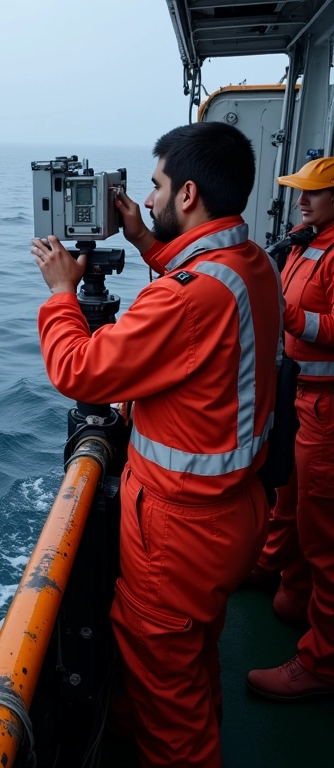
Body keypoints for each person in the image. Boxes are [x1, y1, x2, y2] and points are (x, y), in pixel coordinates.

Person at [31, 122, 281, 768]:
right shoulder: (249, 265)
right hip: (234, 515)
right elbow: (195, 271)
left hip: (180, 535)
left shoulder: (187, 299)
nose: (145, 199)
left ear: (189, 193)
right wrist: (144, 239)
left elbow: (79, 371)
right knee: (192, 659)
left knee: (172, 706)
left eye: (156, 186)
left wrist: (62, 294)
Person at [246, 157, 334, 700]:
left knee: (326, 535)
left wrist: (293, 319)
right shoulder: (307, 242)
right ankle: (288, 583)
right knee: (290, 500)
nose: (300, 201)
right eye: (298, 193)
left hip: (328, 409)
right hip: (301, 398)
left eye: (313, 194)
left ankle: (323, 663)